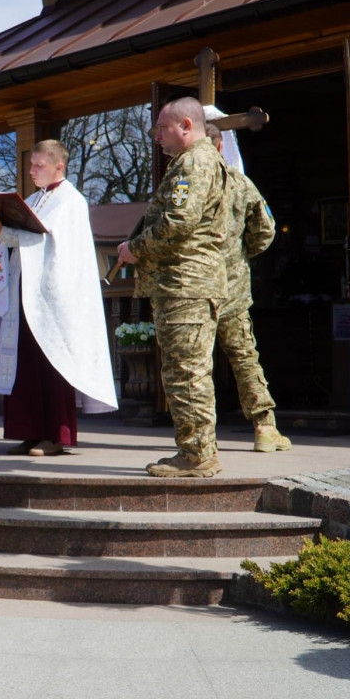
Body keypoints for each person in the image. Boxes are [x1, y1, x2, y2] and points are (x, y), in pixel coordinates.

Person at [0, 140, 117, 457]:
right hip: (24, 293)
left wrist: (1, 232)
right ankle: (29, 431)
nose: (32, 170)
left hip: (53, 299)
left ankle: (56, 435)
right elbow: (16, 238)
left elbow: (44, 241)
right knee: (24, 364)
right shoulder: (35, 200)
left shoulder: (70, 201)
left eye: (39, 165)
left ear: (58, 166)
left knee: (51, 364)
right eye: (31, 164)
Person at [117, 97, 230, 477]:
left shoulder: (193, 162)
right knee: (188, 368)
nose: (157, 138)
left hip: (186, 283)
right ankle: (197, 450)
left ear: (185, 124)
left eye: (161, 129)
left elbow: (178, 223)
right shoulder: (198, 160)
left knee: (186, 370)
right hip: (188, 282)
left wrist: (133, 249)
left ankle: (198, 456)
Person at [204, 123, 291, 453]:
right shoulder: (242, 183)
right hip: (233, 285)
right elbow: (265, 230)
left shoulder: (185, 181)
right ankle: (264, 428)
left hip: (196, 287)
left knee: (196, 362)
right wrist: (241, 255)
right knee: (243, 356)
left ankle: (201, 436)